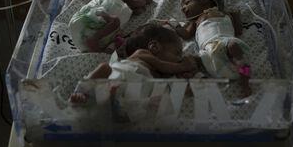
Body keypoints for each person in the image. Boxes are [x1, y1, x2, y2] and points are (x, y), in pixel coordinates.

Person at [70, 23, 198, 104]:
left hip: (130, 95)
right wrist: (183, 66)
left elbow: (165, 81)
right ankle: (81, 92)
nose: (178, 59)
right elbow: (165, 66)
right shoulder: (142, 54)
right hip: (115, 78)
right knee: (104, 68)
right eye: (176, 54)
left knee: (156, 99)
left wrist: (182, 83)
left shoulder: (157, 74)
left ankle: (111, 103)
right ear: (154, 47)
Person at [176, 0, 252, 93]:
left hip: (225, 41)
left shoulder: (225, 14)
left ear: (204, 0)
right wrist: (176, 26)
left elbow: (238, 31)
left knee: (234, 47)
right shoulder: (195, 21)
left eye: (186, 3)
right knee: (189, 60)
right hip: (208, 51)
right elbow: (186, 34)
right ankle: (199, 79)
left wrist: (236, 16)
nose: (183, 9)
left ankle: (245, 80)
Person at [69, 0, 153, 53]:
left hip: (85, 33)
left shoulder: (117, 3)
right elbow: (135, 3)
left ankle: (97, 45)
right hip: (89, 20)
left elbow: (134, 10)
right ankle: (94, 39)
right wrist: (143, 0)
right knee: (115, 22)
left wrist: (138, 6)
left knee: (116, 26)